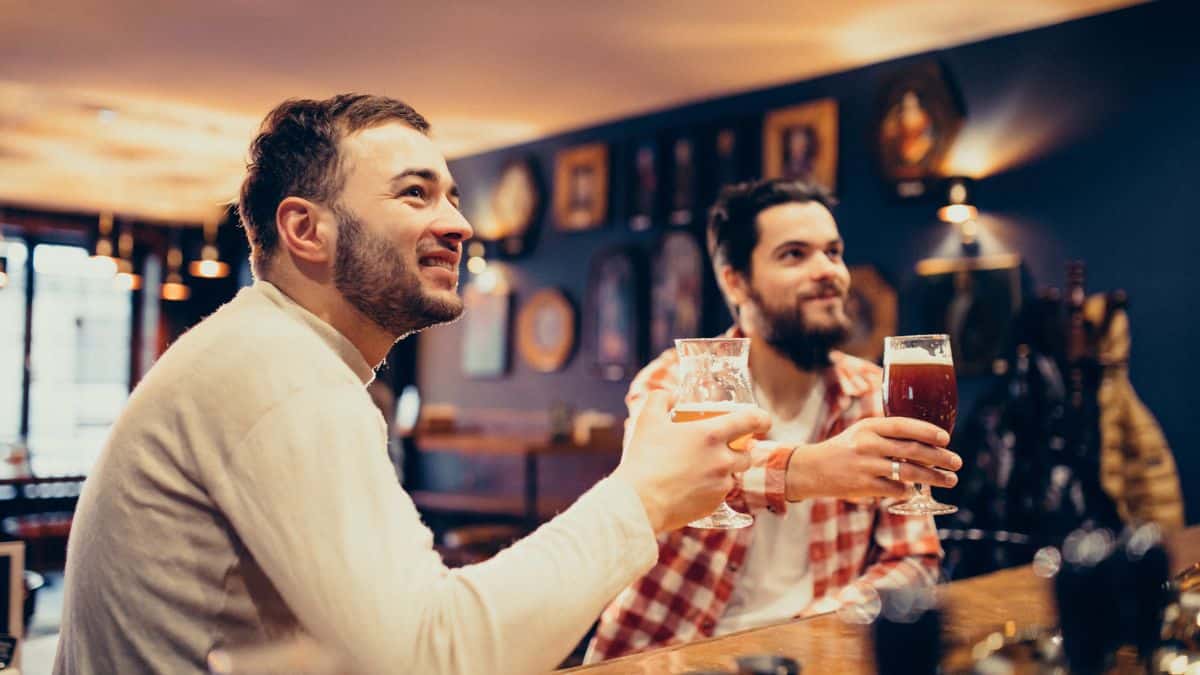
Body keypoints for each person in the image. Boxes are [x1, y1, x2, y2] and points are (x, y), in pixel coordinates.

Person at [51, 94, 770, 675]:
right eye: (416, 194)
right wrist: (641, 497)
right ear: (306, 229)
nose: (457, 223)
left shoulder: (271, 353)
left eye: (451, 196)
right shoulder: (278, 372)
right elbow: (431, 655)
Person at [586, 178, 962, 661]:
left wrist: (832, 619)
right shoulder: (676, 379)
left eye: (833, 252)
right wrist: (809, 468)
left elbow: (912, 557)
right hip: (666, 658)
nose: (828, 271)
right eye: (794, 255)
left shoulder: (873, 393)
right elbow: (675, 469)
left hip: (811, 657)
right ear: (734, 280)